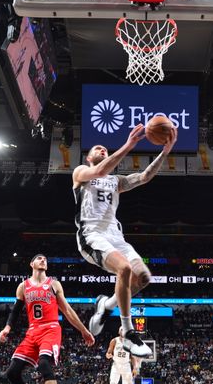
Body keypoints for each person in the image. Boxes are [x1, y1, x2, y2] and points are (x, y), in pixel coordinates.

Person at [72, 124, 177, 357]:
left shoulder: (115, 181)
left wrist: (165, 152)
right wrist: (129, 145)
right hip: (92, 235)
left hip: (115, 235)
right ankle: (128, 332)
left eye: (104, 149)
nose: (101, 149)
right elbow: (99, 172)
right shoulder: (80, 173)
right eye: (97, 149)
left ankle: (107, 305)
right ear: (89, 157)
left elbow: (144, 177)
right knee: (125, 268)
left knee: (144, 277)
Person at [0, 254, 95, 384]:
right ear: (31, 263)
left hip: (50, 329)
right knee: (12, 373)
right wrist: (7, 328)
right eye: (39, 258)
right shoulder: (23, 286)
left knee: (44, 364)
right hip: (32, 332)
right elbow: (15, 312)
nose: (43, 260)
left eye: (45, 259)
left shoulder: (53, 284)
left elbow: (67, 310)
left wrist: (84, 331)